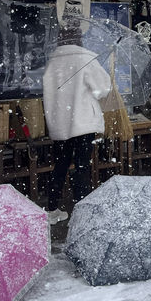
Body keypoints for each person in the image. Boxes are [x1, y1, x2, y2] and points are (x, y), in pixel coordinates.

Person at [42, 23, 111, 224]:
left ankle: (52, 208)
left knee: (60, 165)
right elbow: (102, 89)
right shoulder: (85, 58)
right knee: (82, 166)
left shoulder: (52, 61)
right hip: (82, 121)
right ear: (79, 39)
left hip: (59, 123)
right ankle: (82, 210)